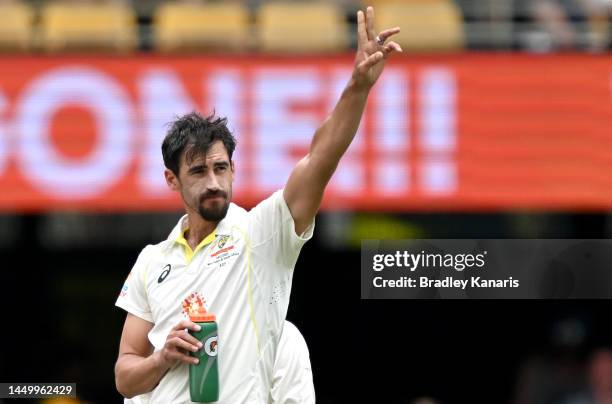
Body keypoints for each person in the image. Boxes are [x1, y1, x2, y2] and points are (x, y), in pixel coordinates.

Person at [114, 6, 401, 403]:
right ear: (172, 180)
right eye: (198, 172)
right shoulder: (151, 261)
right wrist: (162, 358)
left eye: (220, 168)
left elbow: (320, 158)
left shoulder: (261, 234)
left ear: (233, 168)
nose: (213, 182)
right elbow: (125, 376)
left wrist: (357, 87)